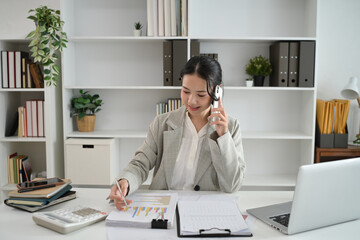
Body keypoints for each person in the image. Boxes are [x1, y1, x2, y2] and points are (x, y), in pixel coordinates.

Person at [110, 56, 246, 210]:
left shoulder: (231, 127)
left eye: (201, 95)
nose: (191, 101)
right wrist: (126, 181)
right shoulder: (162, 123)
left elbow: (232, 185)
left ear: (217, 91)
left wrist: (222, 136)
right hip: (163, 208)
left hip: (205, 210)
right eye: (185, 91)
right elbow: (141, 163)